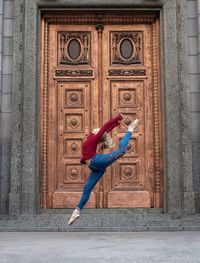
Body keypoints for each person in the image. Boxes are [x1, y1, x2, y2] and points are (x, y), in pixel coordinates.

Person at [68, 114, 140, 225]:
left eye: (97, 129)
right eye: (97, 129)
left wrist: (117, 121)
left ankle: (130, 129)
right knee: (87, 188)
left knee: (121, 151)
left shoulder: (93, 138)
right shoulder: (92, 139)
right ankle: (77, 211)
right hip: (97, 166)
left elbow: (106, 128)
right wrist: (118, 118)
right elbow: (105, 128)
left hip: (96, 162)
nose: (97, 128)